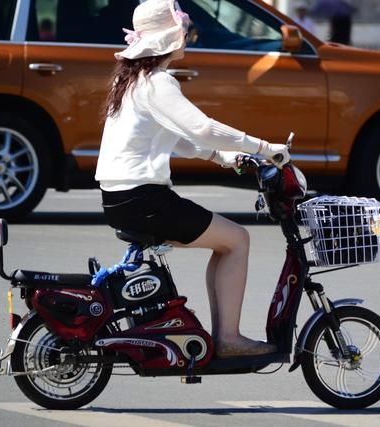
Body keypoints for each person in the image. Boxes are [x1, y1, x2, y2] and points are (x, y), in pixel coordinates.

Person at [95, 0, 289, 358]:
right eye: (183, 27)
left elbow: (178, 139)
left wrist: (223, 157)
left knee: (226, 242)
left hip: (121, 199)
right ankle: (229, 339)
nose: (188, 33)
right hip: (144, 201)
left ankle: (224, 335)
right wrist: (264, 147)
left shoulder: (134, 81)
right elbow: (201, 127)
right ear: (170, 37)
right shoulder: (158, 82)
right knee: (238, 240)